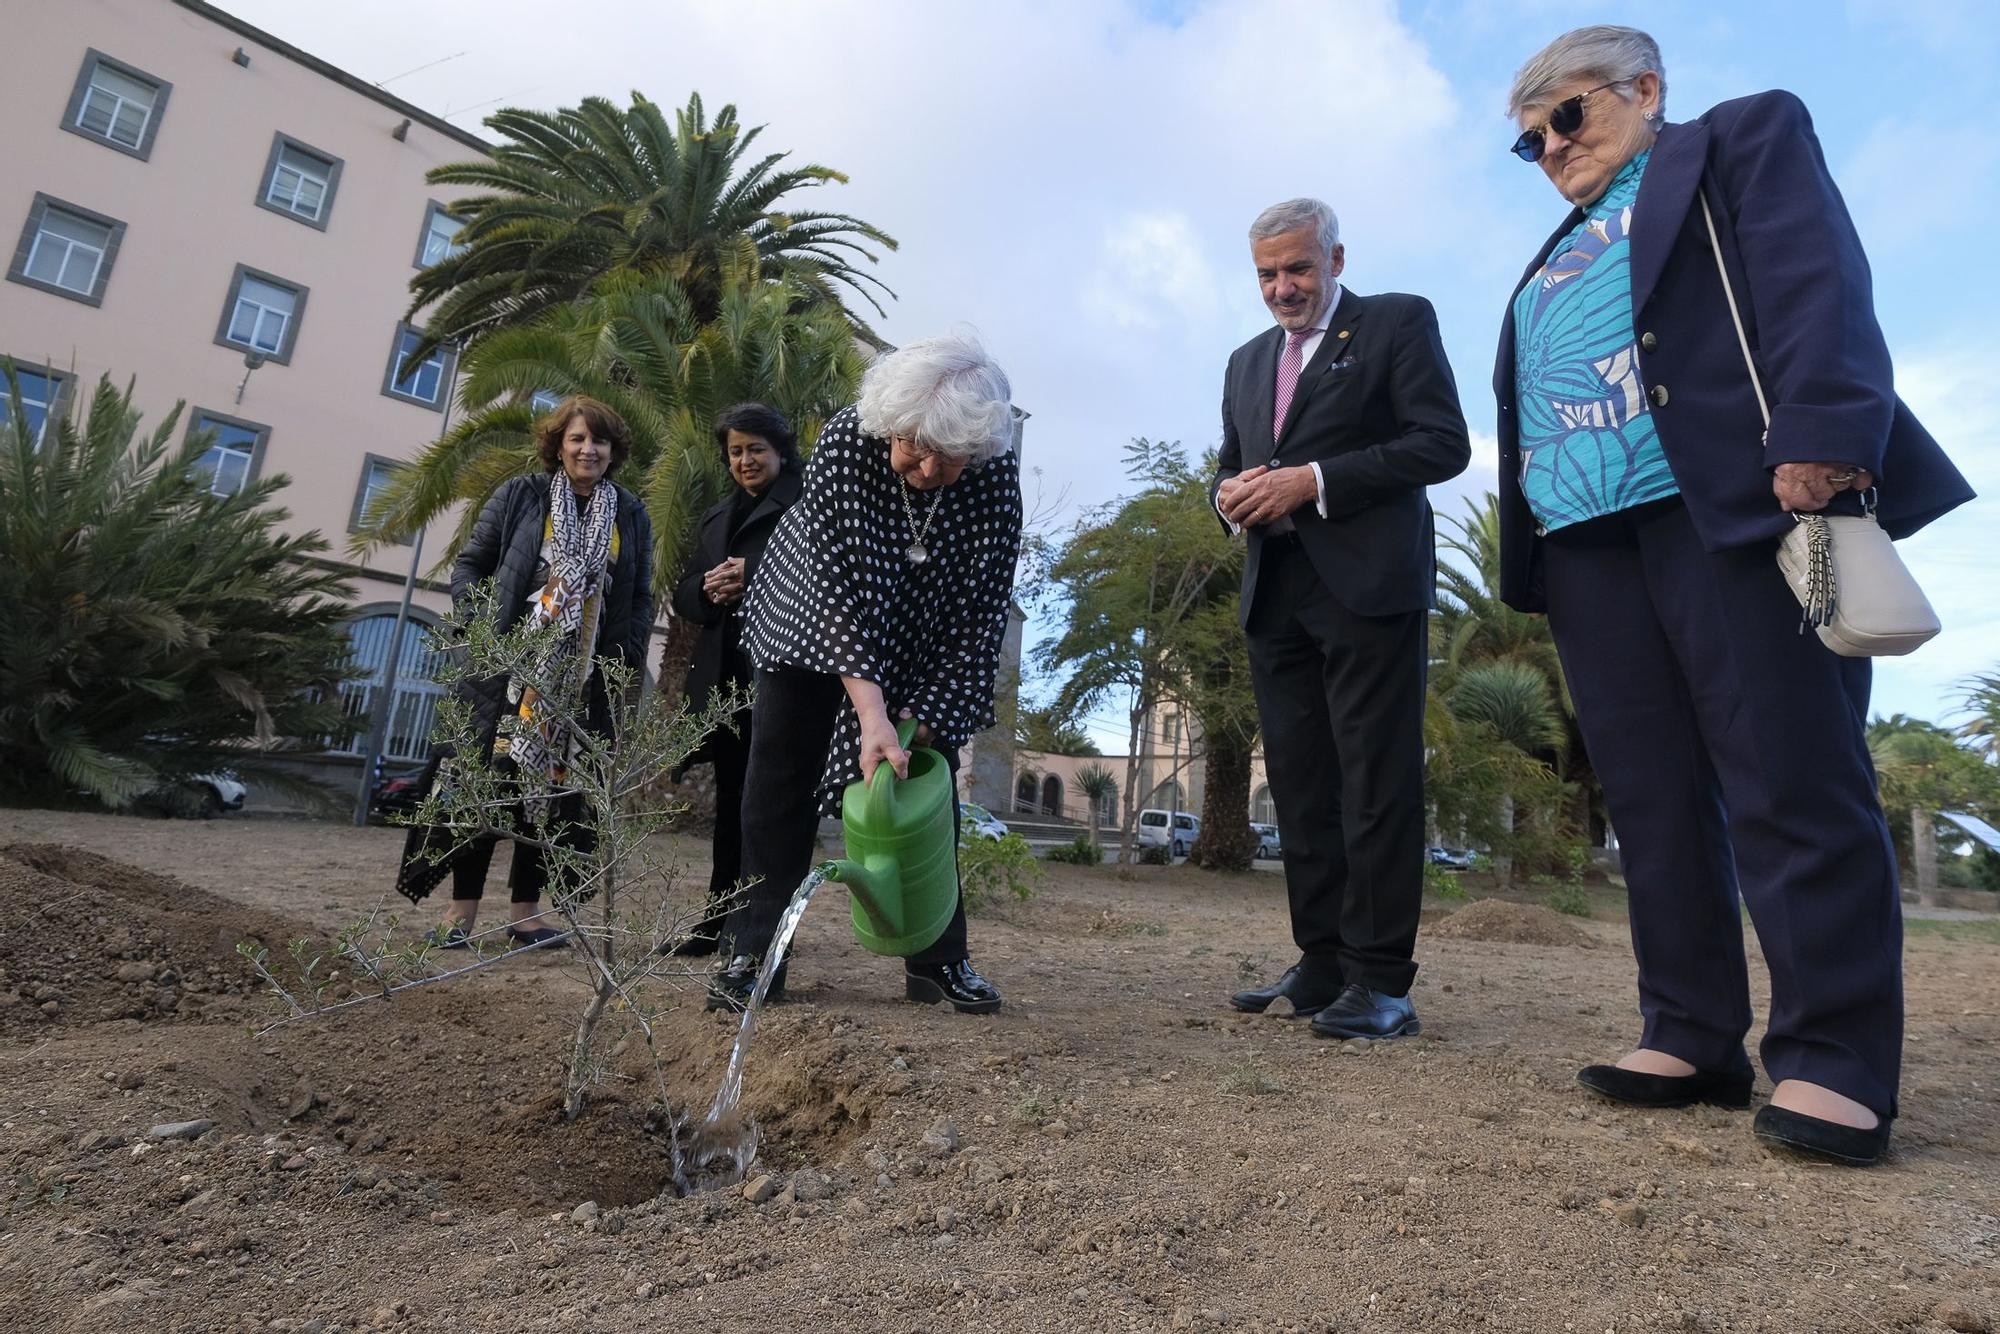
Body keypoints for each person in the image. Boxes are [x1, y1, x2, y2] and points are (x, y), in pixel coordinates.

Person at [1494, 26, 1972, 1164]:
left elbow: (1816, 277)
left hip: (1730, 506)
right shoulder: (1559, 243)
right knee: (1651, 795)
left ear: (1644, 88)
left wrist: (1820, 432)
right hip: (1585, 539)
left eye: (1566, 115)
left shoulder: (1735, 140)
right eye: (1528, 142)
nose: (1551, 145)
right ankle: (1688, 1027)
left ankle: (1833, 1060)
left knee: (1787, 772)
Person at [1214, 198, 1471, 1041]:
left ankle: (1380, 979)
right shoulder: (1247, 362)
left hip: (1367, 589)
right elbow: (1232, 466)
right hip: (1275, 591)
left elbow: (1442, 444)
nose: (1283, 288)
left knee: (1375, 783)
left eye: (1298, 269)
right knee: (1301, 787)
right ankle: (1321, 961)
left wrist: (1313, 479)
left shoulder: (1397, 323)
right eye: (1267, 274)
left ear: (1336, 259)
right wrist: (1228, 498)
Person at [711, 334, 1022, 1014]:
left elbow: (980, 613)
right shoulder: (850, 442)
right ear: (891, 423)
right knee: (779, 781)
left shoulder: (995, 475)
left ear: (978, 446)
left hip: (919, 627)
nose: (925, 463)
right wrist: (872, 716)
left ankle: (939, 959)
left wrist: (919, 720)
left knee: (924, 782)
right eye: (913, 443)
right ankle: (754, 951)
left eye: (948, 454)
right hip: (813, 607)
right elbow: (839, 588)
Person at [395, 395, 656, 949]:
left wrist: (625, 653)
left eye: (600, 440)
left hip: (578, 685)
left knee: (551, 796)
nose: (589, 449)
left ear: (614, 451)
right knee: (482, 788)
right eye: (578, 438)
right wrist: (482, 628)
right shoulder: (522, 495)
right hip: (502, 675)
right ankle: (459, 914)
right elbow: (471, 564)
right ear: (559, 444)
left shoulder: (629, 512)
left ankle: (526, 916)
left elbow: (638, 596)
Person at [667, 403, 804, 955]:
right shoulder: (715, 516)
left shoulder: (808, 501)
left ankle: (765, 930)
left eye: (756, 449)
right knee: (731, 805)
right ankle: (717, 919)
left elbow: (830, 572)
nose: (745, 461)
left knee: (772, 810)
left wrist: (759, 574)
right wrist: (708, 586)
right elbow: (684, 594)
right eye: (736, 452)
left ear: (780, 451)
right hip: (726, 680)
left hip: (784, 676)